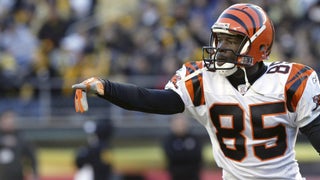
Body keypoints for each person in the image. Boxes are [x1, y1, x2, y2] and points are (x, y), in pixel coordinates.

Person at [72, 3, 320, 179]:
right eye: (219, 39)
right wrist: (107, 88)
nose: (221, 48)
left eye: (231, 41)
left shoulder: (291, 81)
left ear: (259, 46)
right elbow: (155, 101)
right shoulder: (204, 79)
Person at [0, 110, 38, 180]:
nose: (9, 122)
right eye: (6, 119)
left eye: (11, 119)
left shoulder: (20, 136)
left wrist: (34, 173)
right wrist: (3, 141)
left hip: (17, 175)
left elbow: (31, 156)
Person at [163, 114, 202, 180]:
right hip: (176, 175)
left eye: (183, 123)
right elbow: (171, 156)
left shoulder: (194, 138)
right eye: (178, 124)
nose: (181, 126)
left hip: (193, 175)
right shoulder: (169, 140)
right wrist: (187, 156)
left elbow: (198, 155)